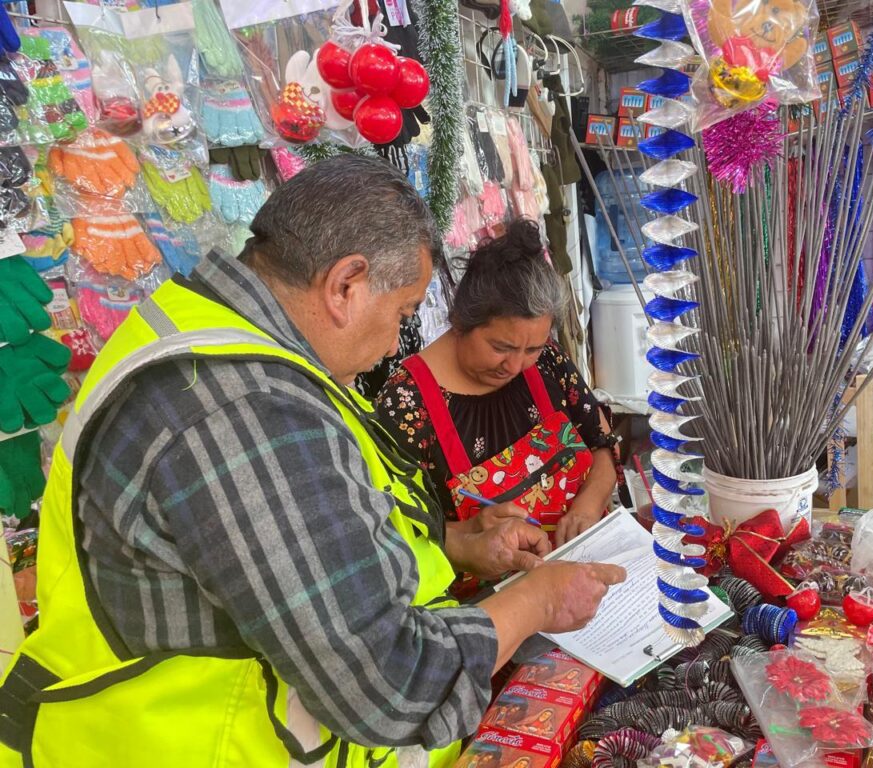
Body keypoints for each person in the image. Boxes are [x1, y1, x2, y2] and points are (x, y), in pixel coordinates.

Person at [0, 157, 625, 767]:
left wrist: (456, 542)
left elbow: (298, 545)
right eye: (403, 314)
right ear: (345, 285)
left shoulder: (219, 340)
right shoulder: (246, 406)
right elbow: (387, 681)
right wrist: (536, 602)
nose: (395, 343)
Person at [377, 219, 618, 551]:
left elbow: (603, 445)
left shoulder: (547, 359)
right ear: (461, 321)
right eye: (501, 347)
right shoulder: (406, 403)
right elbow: (400, 534)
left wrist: (587, 507)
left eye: (531, 349)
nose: (516, 366)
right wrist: (470, 538)